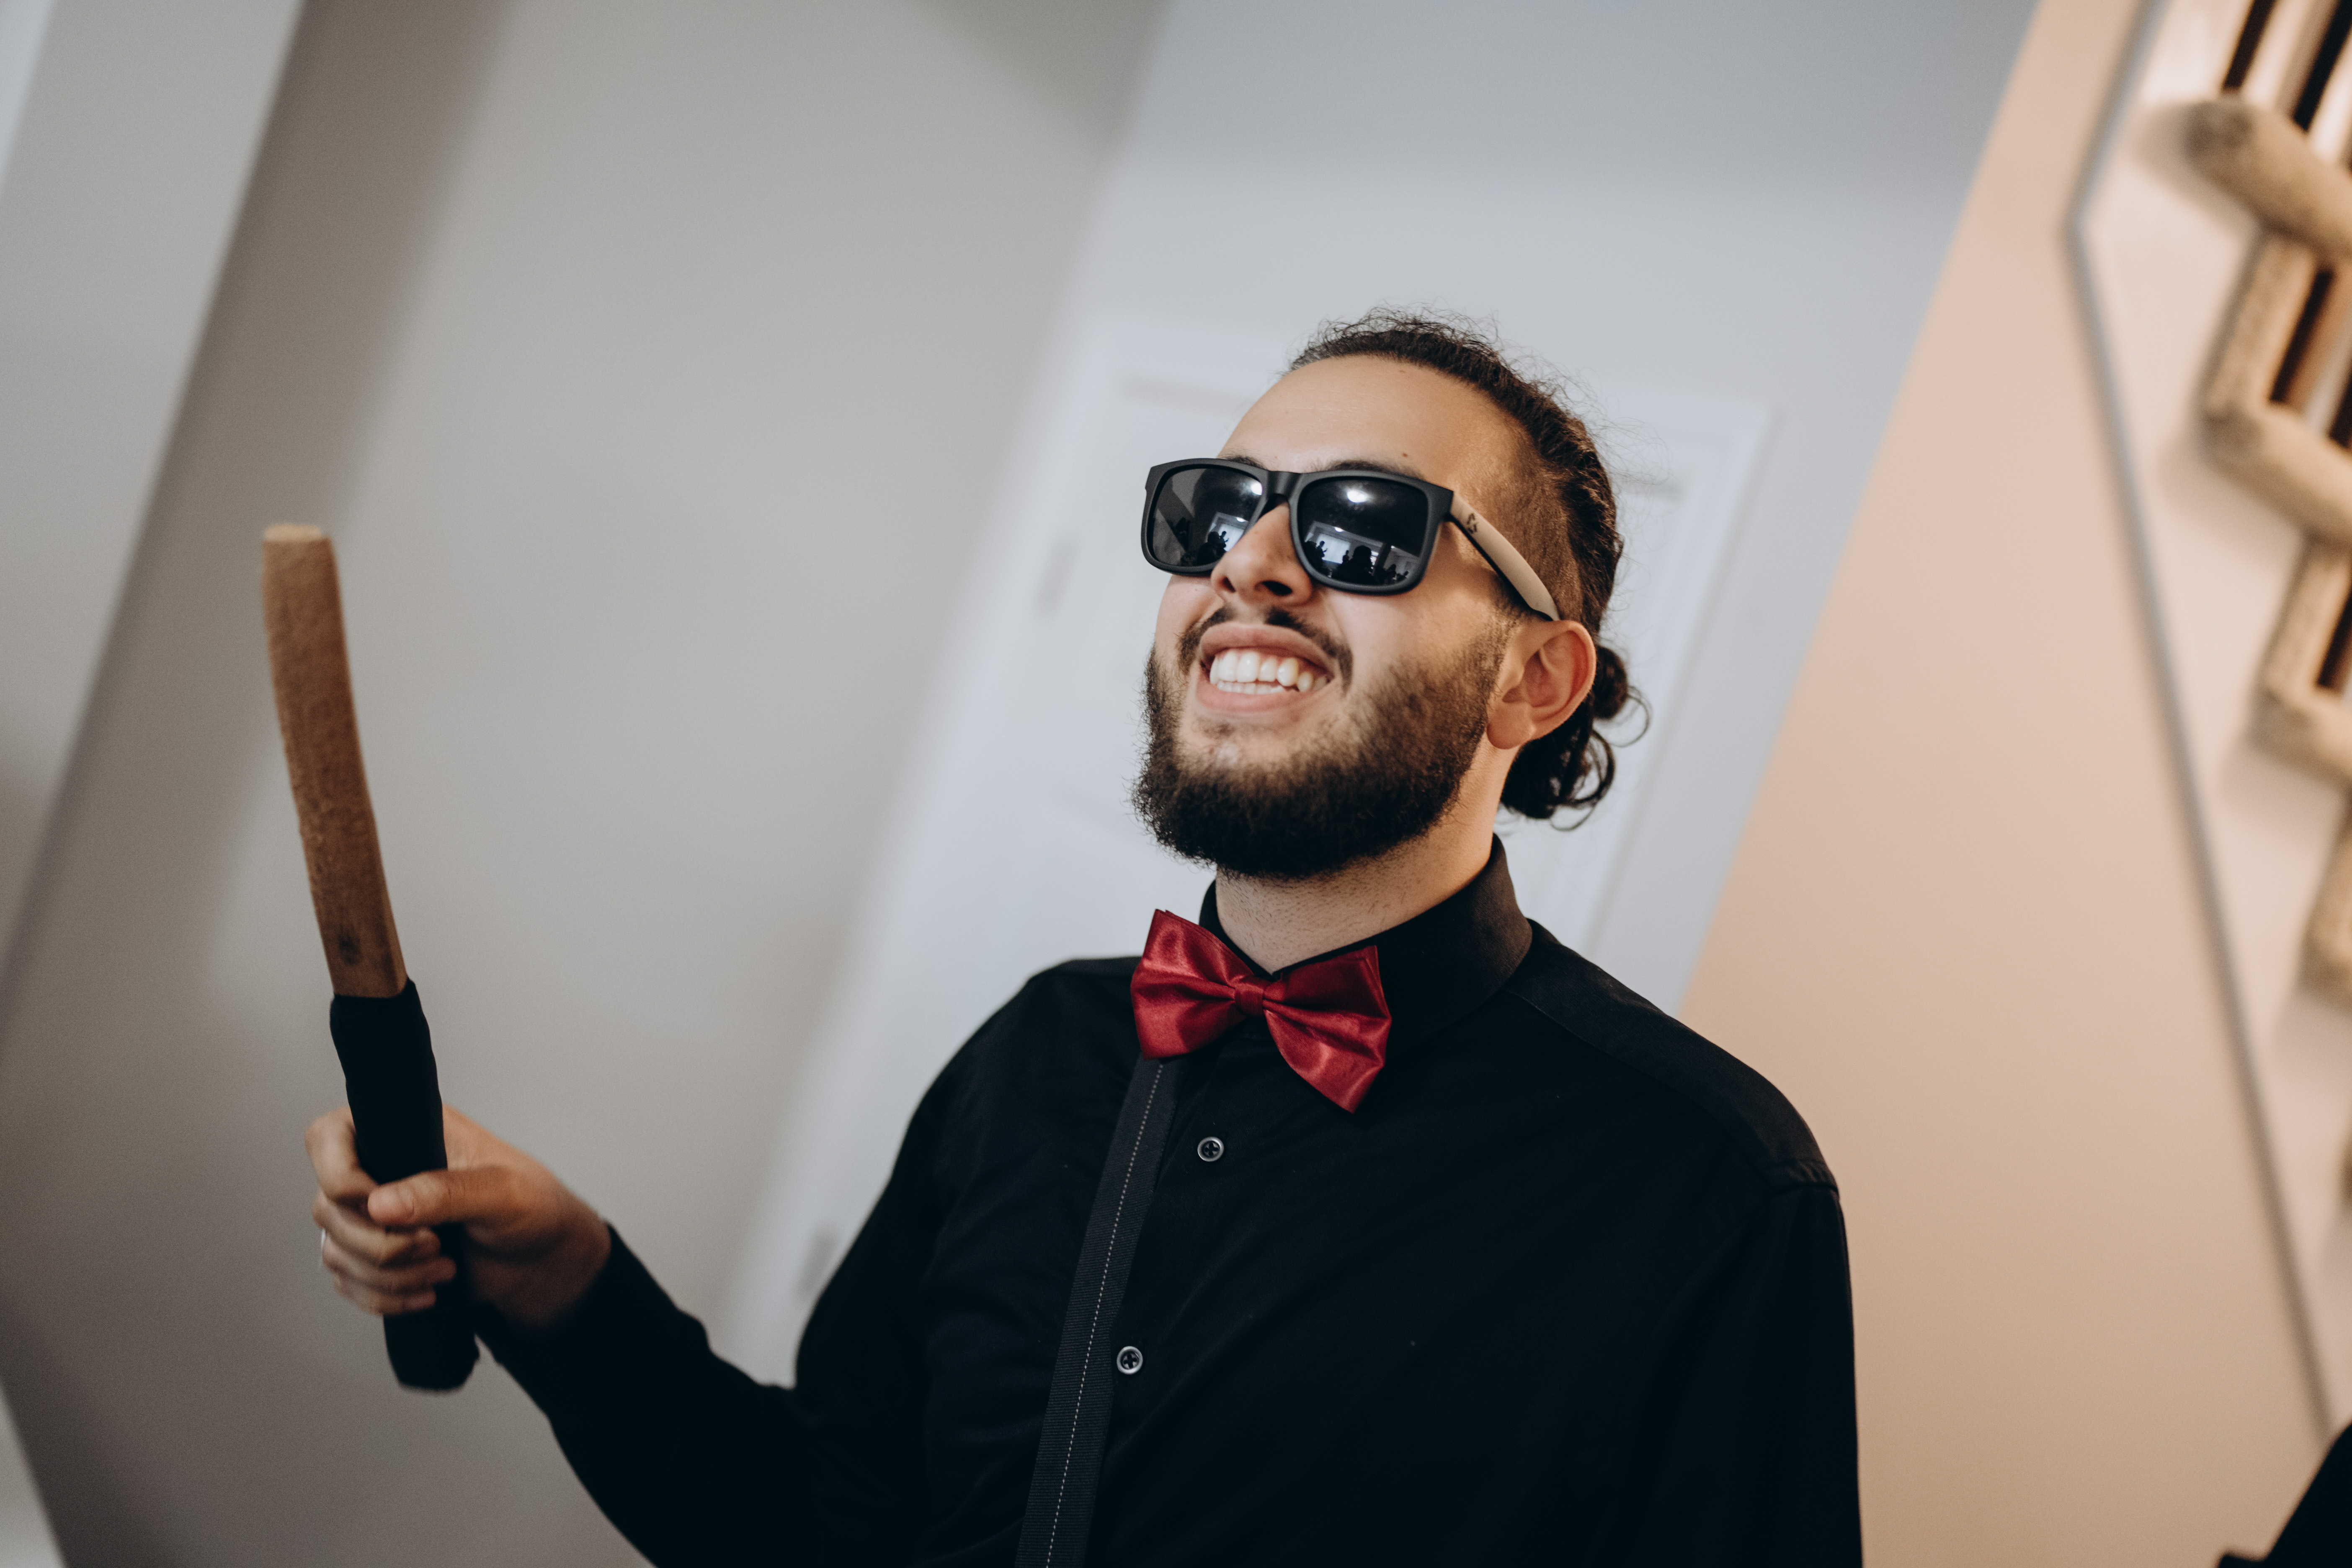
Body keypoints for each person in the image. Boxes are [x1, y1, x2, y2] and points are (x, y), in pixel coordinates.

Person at [308, 310, 1859, 1565]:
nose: (1250, 564)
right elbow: (826, 1533)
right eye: (1219, 511)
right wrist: (570, 1280)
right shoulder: (1036, 1056)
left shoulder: (1710, 1191)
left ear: (1536, 681)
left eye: (1365, 527)